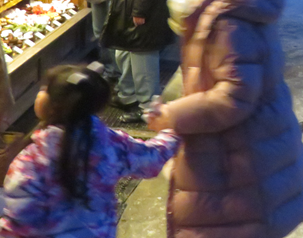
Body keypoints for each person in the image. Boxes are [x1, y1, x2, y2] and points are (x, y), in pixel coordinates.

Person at [145, 0, 303, 238]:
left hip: (238, 162)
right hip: (247, 153)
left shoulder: (229, 20)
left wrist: (171, 114)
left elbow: (234, 96)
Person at [0, 63, 179, 238]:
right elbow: (152, 157)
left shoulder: (31, 160)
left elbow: (19, 221)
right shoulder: (110, 142)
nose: (40, 93)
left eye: (44, 89)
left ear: (53, 105)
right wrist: (173, 129)